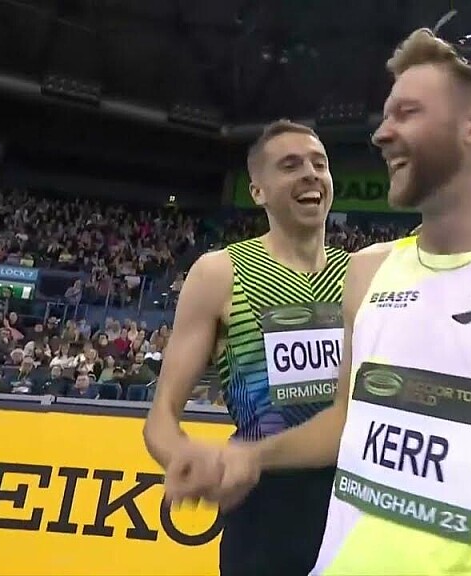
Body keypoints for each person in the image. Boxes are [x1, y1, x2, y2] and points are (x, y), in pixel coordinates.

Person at [164, 30, 471, 576]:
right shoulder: (368, 270)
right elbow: (345, 421)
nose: (381, 134)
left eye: (406, 113)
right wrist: (248, 456)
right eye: (385, 116)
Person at [144, 119, 348, 576]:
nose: (310, 174)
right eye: (290, 166)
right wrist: (185, 458)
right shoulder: (221, 272)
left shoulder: (362, 274)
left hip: (354, 500)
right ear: (258, 191)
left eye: (319, 164)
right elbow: (161, 416)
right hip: (264, 504)